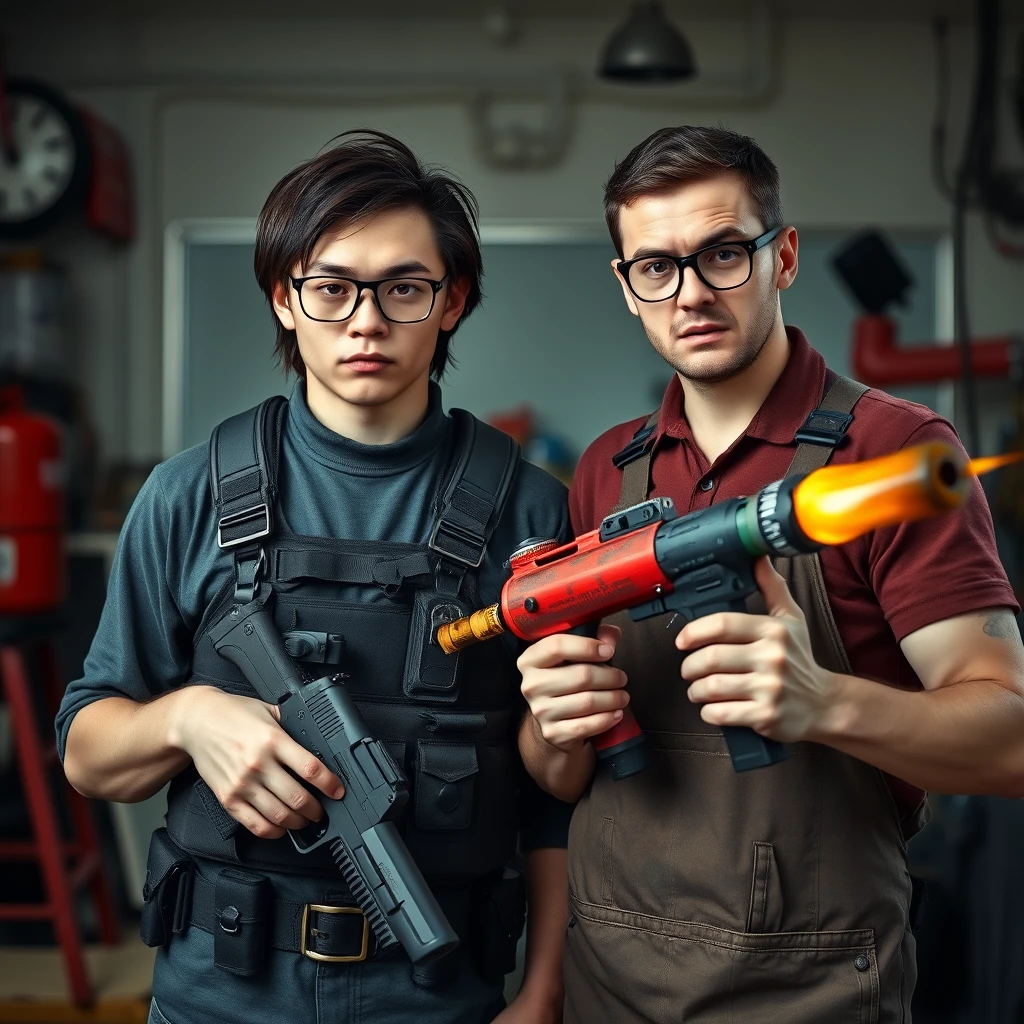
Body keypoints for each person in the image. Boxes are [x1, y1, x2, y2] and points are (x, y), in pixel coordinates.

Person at [58, 130, 570, 1024]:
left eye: (403, 288)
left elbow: (556, 801)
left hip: (439, 1000)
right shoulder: (186, 496)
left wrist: (546, 990)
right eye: (331, 288)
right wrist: (187, 716)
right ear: (284, 301)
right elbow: (89, 755)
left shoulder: (529, 512)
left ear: (451, 302)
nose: (365, 321)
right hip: (219, 993)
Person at [515, 125, 1024, 1023]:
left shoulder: (891, 453)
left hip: (810, 992)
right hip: (607, 986)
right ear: (627, 288)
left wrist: (824, 702)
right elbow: (558, 778)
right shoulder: (606, 471)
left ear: (783, 257)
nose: (691, 294)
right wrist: (554, 726)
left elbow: (1013, 741)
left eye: (723, 255)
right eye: (656, 267)